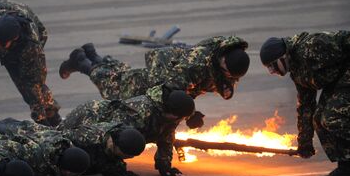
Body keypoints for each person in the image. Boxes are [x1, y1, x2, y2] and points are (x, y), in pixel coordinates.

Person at [259, 31, 350, 176]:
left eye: (272, 66)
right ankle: (347, 168)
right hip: (340, 83)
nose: (272, 72)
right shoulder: (297, 72)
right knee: (318, 120)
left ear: (283, 56)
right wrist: (305, 143)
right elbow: (306, 107)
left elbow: (348, 39)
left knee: (332, 119)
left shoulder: (312, 46)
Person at [59, 36, 249, 127]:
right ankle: (81, 62)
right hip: (161, 76)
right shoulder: (196, 65)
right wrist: (190, 114)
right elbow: (170, 93)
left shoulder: (225, 58)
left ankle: (92, 54)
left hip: (171, 71)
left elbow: (220, 85)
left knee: (124, 76)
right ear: (222, 60)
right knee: (114, 88)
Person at [63, 85, 195, 176]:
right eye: (180, 118)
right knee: (76, 157)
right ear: (170, 112)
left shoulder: (171, 115)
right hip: (89, 118)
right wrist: (115, 169)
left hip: (104, 127)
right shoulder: (140, 112)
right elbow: (115, 138)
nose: (180, 121)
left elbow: (166, 137)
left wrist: (164, 166)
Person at [0, 119, 145, 176]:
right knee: (14, 131)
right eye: (127, 155)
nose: (129, 158)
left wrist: (117, 171)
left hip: (51, 138)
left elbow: (108, 159)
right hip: (47, 137)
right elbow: (61, 157)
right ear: (116, 146)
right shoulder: (86, 141)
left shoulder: (119, 138)